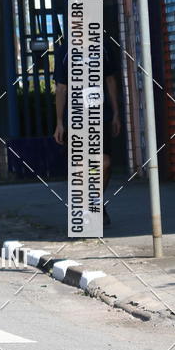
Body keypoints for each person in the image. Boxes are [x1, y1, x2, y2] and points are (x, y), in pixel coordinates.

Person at [53, 37, 121, 225]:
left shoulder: (104, 47)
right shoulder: (65, 51)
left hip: (101, 115)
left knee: (105, 163)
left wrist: (116, 113)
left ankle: (95, 201)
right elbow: (60, 88)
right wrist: (59, 122)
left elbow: (110, 80)